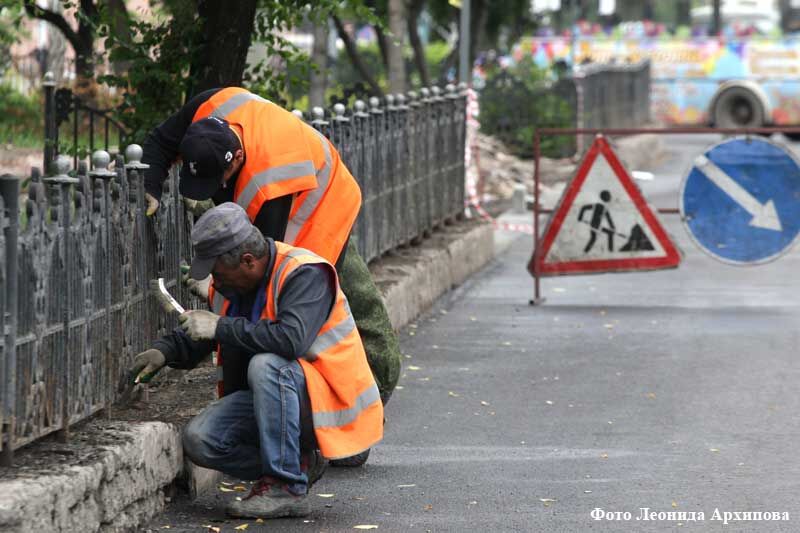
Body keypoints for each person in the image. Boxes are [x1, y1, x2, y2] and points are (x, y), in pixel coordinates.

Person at [142, 88, 400, 466]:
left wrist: (218, 320)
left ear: (239, 158)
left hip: (323, 208)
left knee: (280, 330)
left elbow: (254, 306)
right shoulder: (208, 108)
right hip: (277, 215)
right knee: (256, 320)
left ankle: (337, 429)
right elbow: (160, 142)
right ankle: (285, 435)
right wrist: (150, 186)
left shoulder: (272, 184)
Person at [129, 203, 384, 518]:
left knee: (267, 364)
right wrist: (164, 352)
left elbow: (290, 340)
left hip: (329, 403)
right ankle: (298, 465)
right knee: (201, 440)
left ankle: (285, 485)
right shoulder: (236, 283)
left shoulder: (305, 273)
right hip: (282, 397)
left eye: (217, 274)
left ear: (247, 261)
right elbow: (212, 331)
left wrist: (219, 326)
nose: (215, 283)